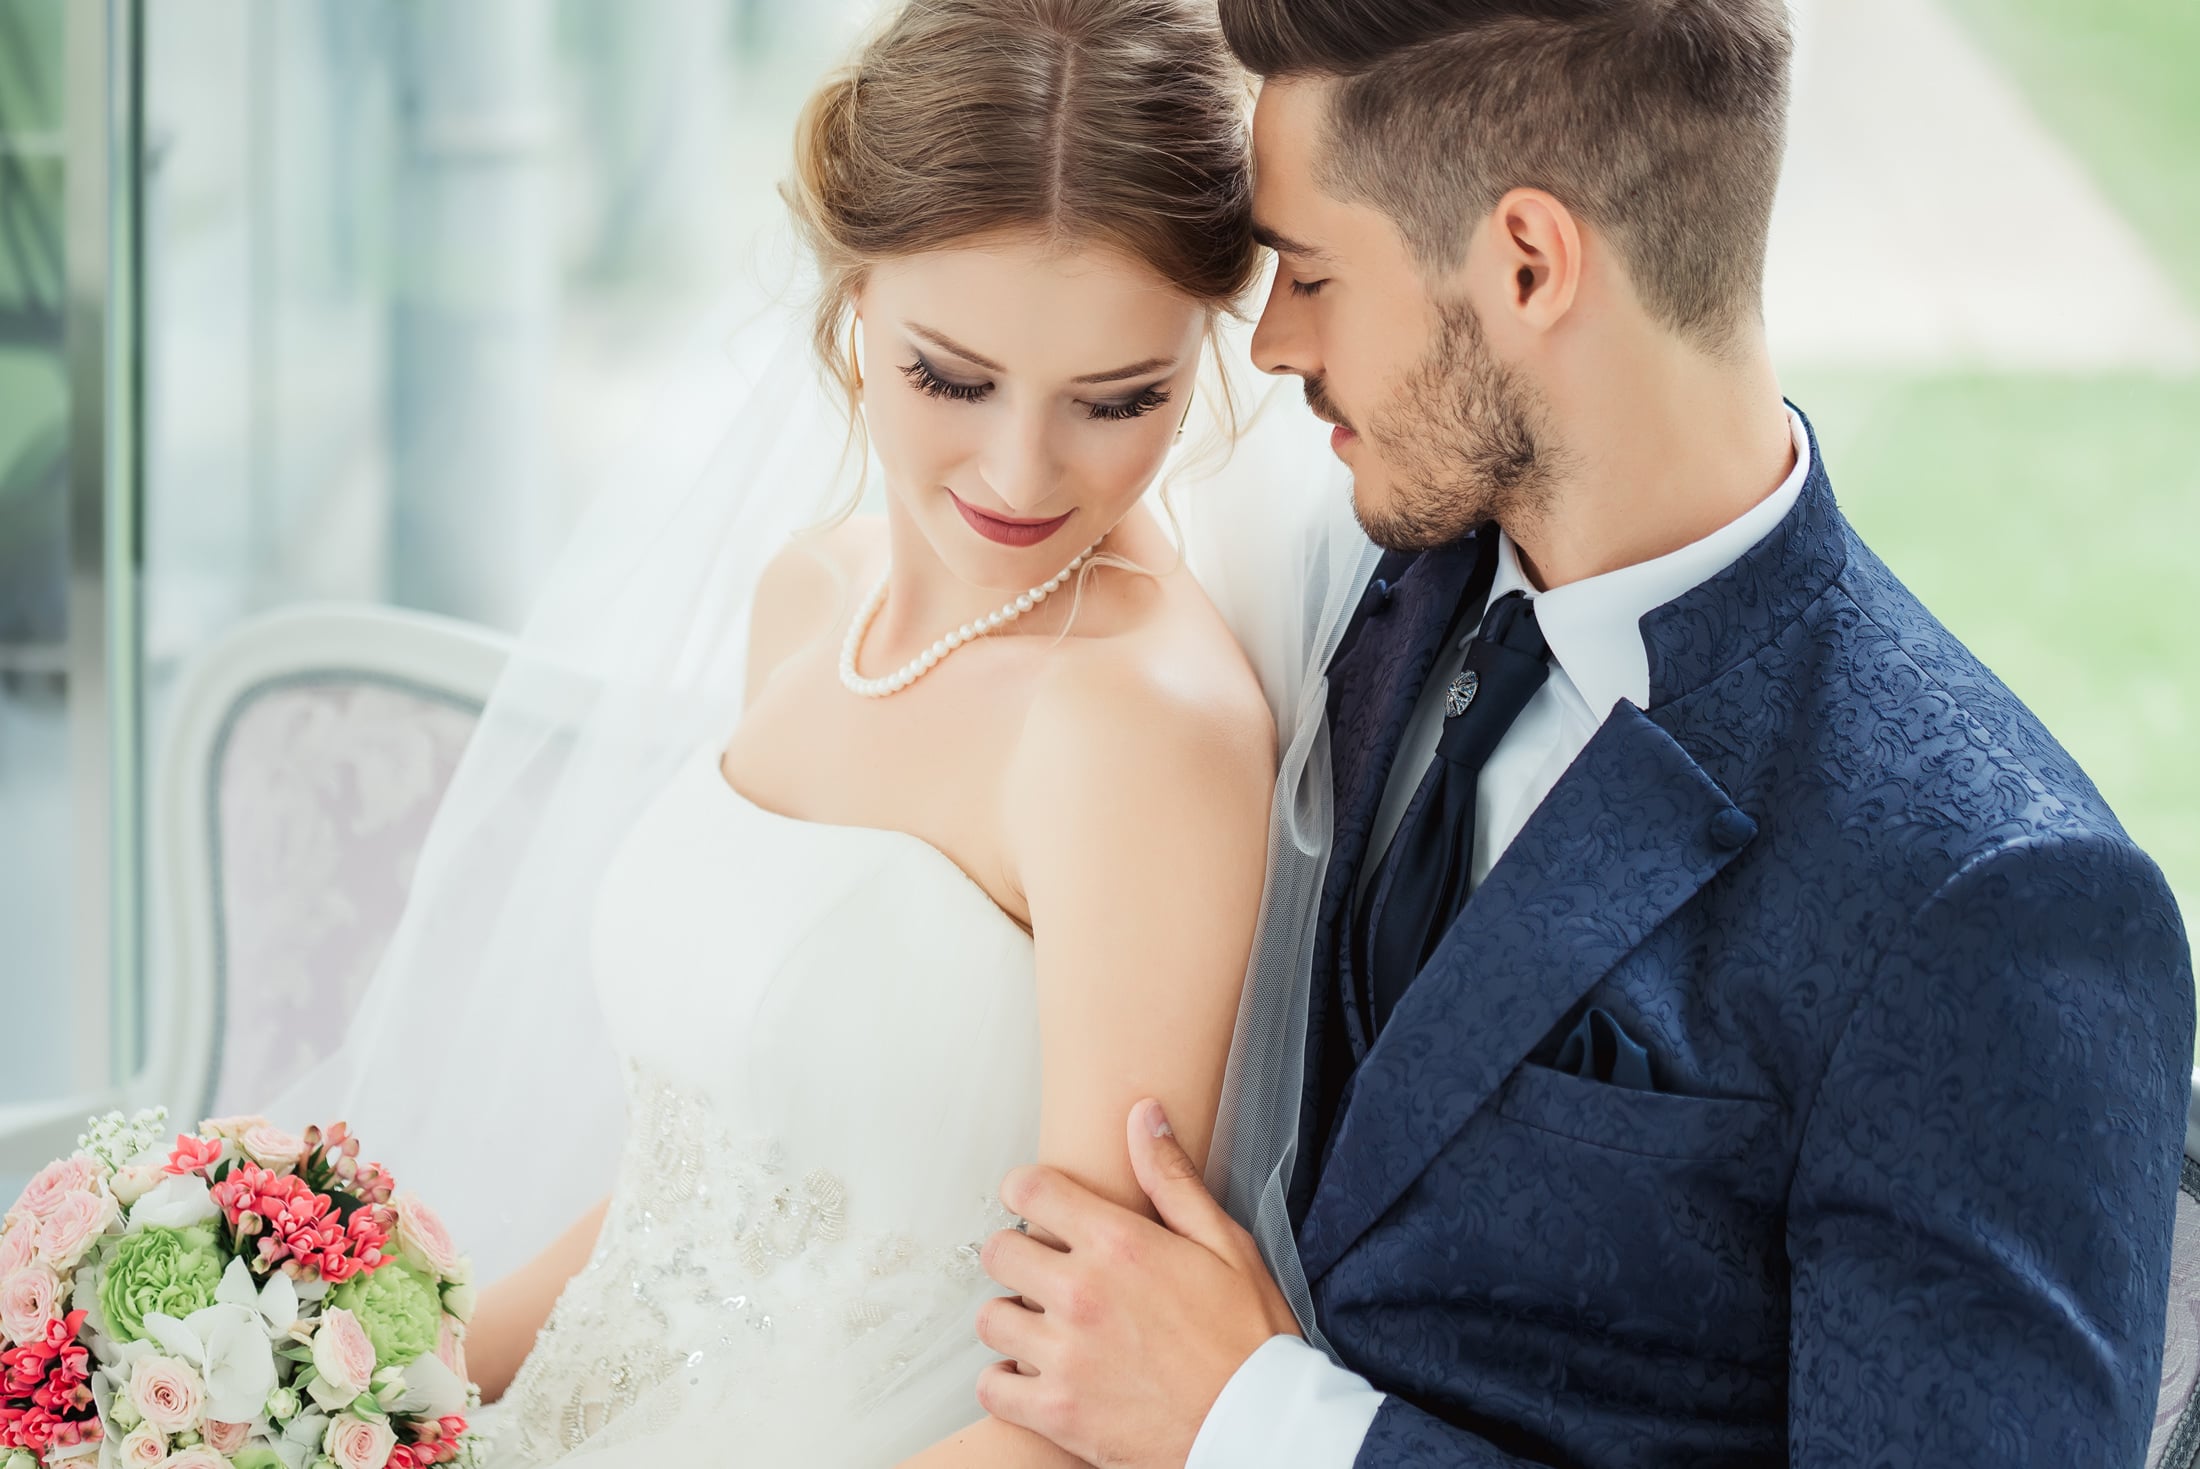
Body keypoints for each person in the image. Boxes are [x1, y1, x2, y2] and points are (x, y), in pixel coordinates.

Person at [973, 2, 2199, 1466]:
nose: (1277, 338)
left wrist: (1262, 1422)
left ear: (1529, 263)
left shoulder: (1990, 901)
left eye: (1310, 273)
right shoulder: (1356, 580)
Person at [267, 0, 1375, 1461]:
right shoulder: (812, 597)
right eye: (950, 377)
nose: (1020, 470)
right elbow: (689, 1196)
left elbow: (1083, 1406)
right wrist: (335, 1392)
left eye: (1121, 400)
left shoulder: (1136, 732)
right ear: (853, 292)